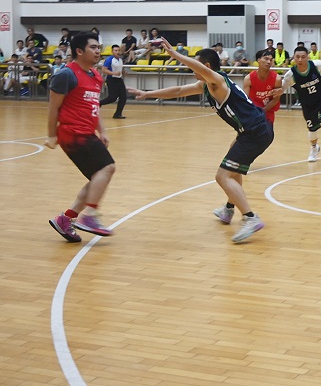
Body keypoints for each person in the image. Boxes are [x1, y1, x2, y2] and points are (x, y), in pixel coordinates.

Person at [132, 40, 272, 242]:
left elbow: (201, 70)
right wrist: (147, 94)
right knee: (232, 169)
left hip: (255, 132)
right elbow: (179, 91)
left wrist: (175, 54)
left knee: (222, 176)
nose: (192, 70)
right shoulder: (206, 85)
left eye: (195, 65)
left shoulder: (217, 80)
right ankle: (228, 209)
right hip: (251, 131)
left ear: (206, 66)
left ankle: (250, 218)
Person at [45, 32, 117, 242]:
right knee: (108, 167)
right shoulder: (66, 75)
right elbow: (53, 108)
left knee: (97, 178)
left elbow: (94, 107)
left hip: (87, 132)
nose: (98, 51)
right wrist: (51, 135)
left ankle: (66, 219)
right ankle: (90, 216)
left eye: (98, 47)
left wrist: (102, 131)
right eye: (93, 47)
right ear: (79, 51)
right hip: (72, 133)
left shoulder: (96, 75)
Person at [244, 50, 281, 127]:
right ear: (258, 60)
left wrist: (262, 111)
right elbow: (246, 99)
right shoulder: (248, 79)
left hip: (268, 112)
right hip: (252, 112)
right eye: (266, 59)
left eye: (271, 60)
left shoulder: (277, 79)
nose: (269, 62)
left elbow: (276, 99)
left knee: (267, 132)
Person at [98, 44, 128, 119]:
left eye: (118, 50)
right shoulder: (109, 59)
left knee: (123, 97)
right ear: (112, 51)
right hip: (111, 80)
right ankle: (99, 103)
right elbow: (104, 69)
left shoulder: (120, 60)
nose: (117, 52)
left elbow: (120, 68)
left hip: (119, 79)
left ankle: (118, 114)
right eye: (115, 50)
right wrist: (113, 73)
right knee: (112, 98)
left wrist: (123, 72)